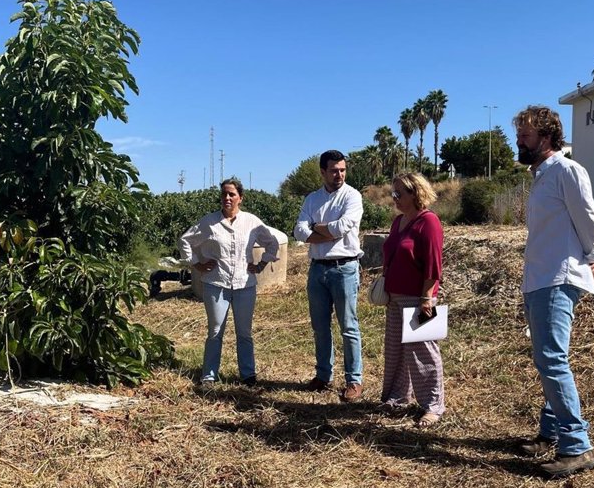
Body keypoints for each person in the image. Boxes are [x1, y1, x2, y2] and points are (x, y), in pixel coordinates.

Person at [514, 105, 594, 478]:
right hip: (540, 278)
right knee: (548, 359)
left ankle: (577, 447)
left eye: (525, 135)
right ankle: (551, 433)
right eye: (519, 133)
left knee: (551, 360)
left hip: (558, 277)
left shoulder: (567, 170)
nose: (519, 140)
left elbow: (587, 216)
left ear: (547, 137)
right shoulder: (541, 176)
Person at [178, 177, 279, 388]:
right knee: (215, 331)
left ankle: (248, 375)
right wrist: (196, 263)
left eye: (232, 194)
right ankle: (209, 375)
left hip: (245, 284)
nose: (227, 198)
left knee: (244, 332)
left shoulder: (252, 222)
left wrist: (261, 265)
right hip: (216, 283)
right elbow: (185, 240)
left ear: (240, 198)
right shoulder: (209, 222)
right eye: (224, 194)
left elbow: (272, 243)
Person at [294, 150, 364, 402]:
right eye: (334, 170)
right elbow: (298, 231)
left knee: (349, 326)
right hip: (318, 269)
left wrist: (315, 228)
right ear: (323, 171)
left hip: (344, 267)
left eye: (343, 170)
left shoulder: (352, 196)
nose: (339, 174)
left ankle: (354, 380)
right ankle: (324, 375)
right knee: (320, 326)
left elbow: (343, 228)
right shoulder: (312, 199)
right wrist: (323, 231)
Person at [380, 172, 444, 427]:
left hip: (420, 298)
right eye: (393, 193)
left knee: (424, 353)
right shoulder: (398, 222)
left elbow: (433, 264)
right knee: (396, 351)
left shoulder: (429, 222)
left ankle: (433, 406)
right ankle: (398, 397)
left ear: (415, 193)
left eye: (399, 193)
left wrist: (426, 299)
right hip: (395, 298)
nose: (394, 198)